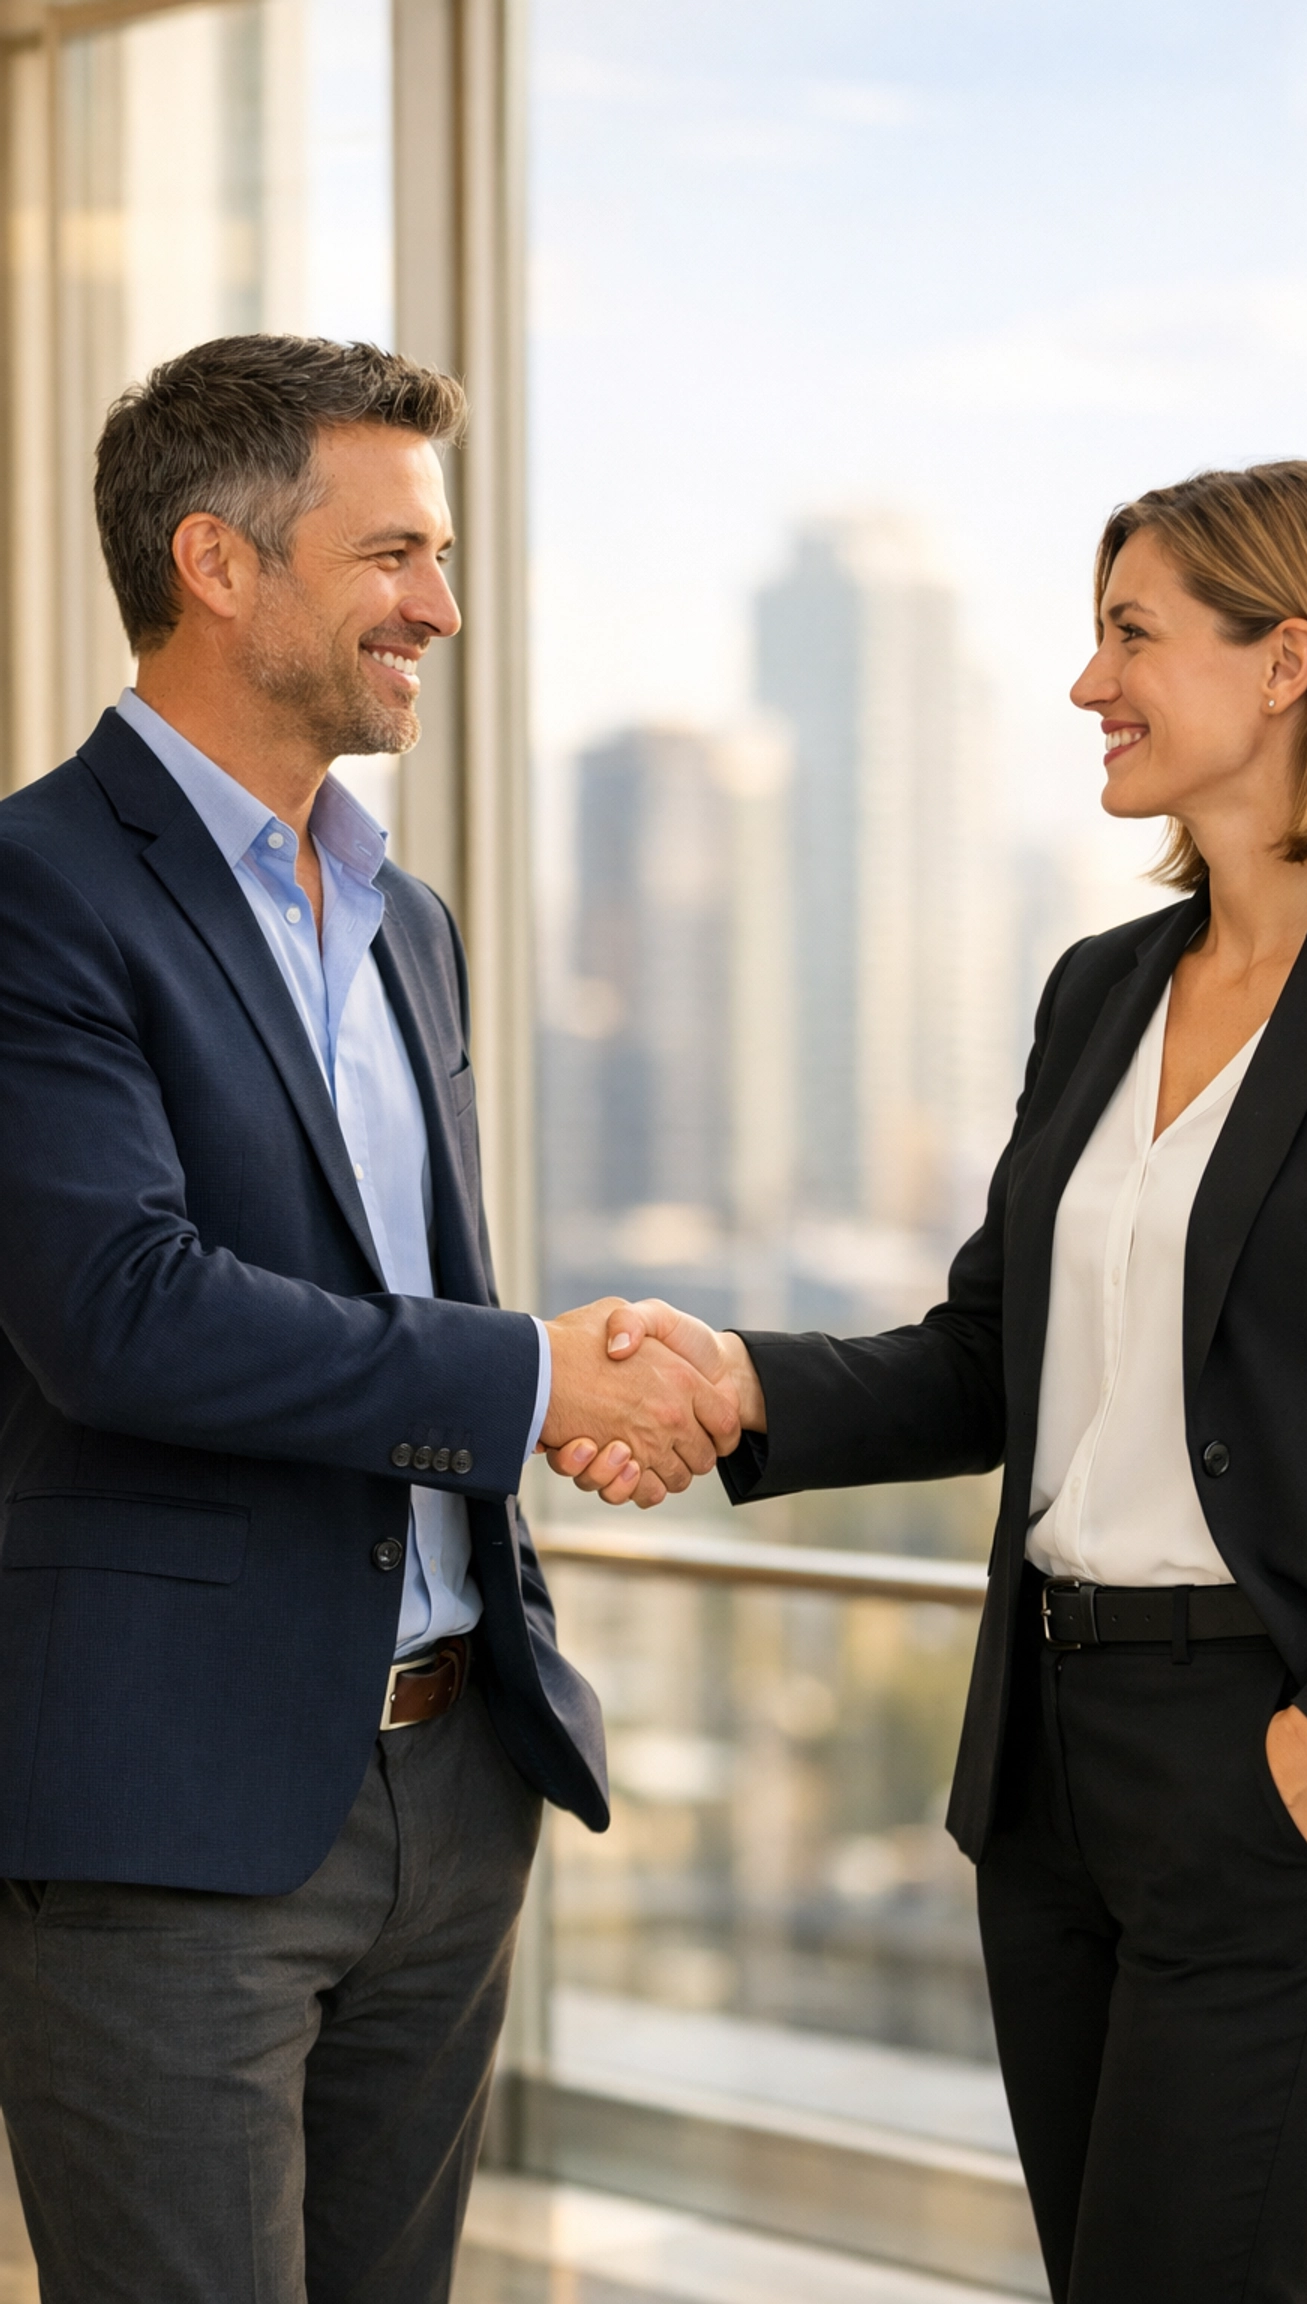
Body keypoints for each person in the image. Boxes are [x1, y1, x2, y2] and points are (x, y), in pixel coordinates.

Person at [547, 461, 1307, 2302]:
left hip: (1289, 1764)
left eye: (1133, 635)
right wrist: (736, 1378)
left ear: (1293, 662)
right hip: (1055, 1773)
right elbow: (996, 1359)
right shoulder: (1102, 990)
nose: (1089, 685)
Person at [0, 333, 739, 2304]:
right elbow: (119, 1314)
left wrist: (552, 1399)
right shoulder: (32, 893)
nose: (443, 603)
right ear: (217, 564)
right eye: (394, 550)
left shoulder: (403, 916)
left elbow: (400, 1288)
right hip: (171, 1823)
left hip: (453, 1781)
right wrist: (520, 1382)